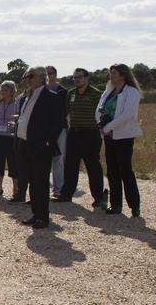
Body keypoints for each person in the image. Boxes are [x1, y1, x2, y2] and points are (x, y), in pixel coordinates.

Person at [14, 66, 64, 229]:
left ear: (42, 78)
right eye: (26, 77)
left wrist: (48, 143)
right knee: (32, 181)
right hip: (25, 143)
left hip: (41, 146)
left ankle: (43, 217)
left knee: (41, 182)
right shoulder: (27, 96)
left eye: (31, 76)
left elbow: (58, 123)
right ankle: (36, 214)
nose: (27, 80)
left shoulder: (51, 97)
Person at [55, 68, 106, 207]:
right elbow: (66, 112)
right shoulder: (71, 93)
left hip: (91, 133)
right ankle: (66, 194)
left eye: (79, 77)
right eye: (74, 77)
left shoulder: (96, 94)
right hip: (74, 133)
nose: (76, 79)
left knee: (93, 166)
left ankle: (99, 197)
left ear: (87, 78)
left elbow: (102, 113)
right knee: (70, 164)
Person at [97, 63, 143, 217]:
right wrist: (101, 124)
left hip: (124, 135)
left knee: (125, 170)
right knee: (112, 170)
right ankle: (116, 204)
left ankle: (134, 205)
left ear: (123, 75)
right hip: (109, 135)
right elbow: (99, 109)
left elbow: (127, 114)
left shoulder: (131, 91)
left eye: (115, 73)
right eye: (111, 72)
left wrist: (108, 127)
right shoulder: (109, 90)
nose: (111, 76)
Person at [0, 80, 19, 197]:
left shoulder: (17, 104)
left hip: (11, 137)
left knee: (13, 163)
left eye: (6, 90)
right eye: (2, 90)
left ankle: (16, 189)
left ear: (12, 91)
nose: (3, 92)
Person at [45, 66, 69, 196]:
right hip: (44, 129)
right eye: (46, 73)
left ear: (55, 74)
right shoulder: (41, 90)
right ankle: (44, 186)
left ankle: (58, 188)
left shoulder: (63, 91)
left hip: (60, 128)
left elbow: (65, 111)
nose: (47, 75)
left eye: (50, 73)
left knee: (59, 157)